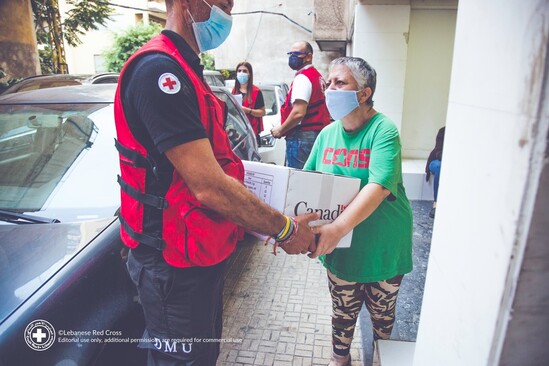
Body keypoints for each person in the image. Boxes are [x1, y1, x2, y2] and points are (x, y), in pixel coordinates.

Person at [113, 1, 318, 364]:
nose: (228, 13)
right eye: (222, 3)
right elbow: (207, 185)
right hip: (171, 265)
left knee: (204, 356)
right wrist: (284, 230)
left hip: (198, 254)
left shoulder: (187, 69)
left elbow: (218, 164)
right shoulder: (159, 73)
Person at [304, 57, 413, 366]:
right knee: (342, 313)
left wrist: (335, 229)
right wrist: (288, 227)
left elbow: (378, 186)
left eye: (340, 82)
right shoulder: (327, 134)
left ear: (364, 93)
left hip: (383, 248)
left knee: (382, 318)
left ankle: (380, 360)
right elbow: (307, 182)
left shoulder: (384, 131)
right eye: (329, 82)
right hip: (341, 251)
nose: (329, 89)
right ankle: (340, 361)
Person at [271, 41, 331, 169]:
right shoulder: (317, 76)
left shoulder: (303, 78)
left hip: (301, 136)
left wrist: (281, 130)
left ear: (308, 57)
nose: (292, 57)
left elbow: (299, 112)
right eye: (290, 54)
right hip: (315, 133)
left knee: (297, 179)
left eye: (296, 54)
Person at [231, 61, 265, 142]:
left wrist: (249, 111)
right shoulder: (234, 91)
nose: (241, 73)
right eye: (239, 71)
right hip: (238, 132)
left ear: (249, 74)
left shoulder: (256, 91)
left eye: (244, 71)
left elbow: (262, 112)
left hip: (252, 133)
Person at [425, 126, 445, 218]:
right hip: (437, 160)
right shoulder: (443, 131)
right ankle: (436, 203)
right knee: (440, 167)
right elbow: (438, 151)